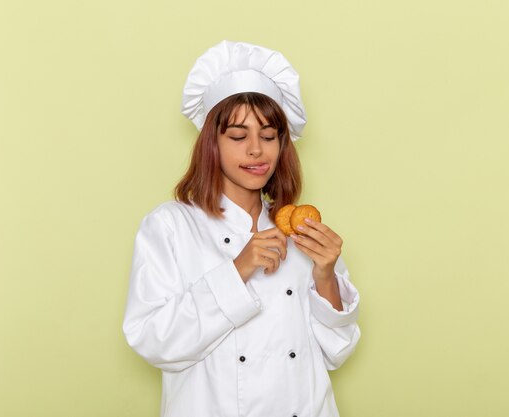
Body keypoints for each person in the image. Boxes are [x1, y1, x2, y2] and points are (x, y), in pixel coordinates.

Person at [123, 40, 360, 417]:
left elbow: (338, 352)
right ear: (211, 144)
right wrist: (238, 270)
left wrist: (327, 275)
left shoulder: (303, 234)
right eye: (238, 136)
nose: (256, 150)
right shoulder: (170, 225)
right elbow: (152, 339)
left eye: (269, 137)